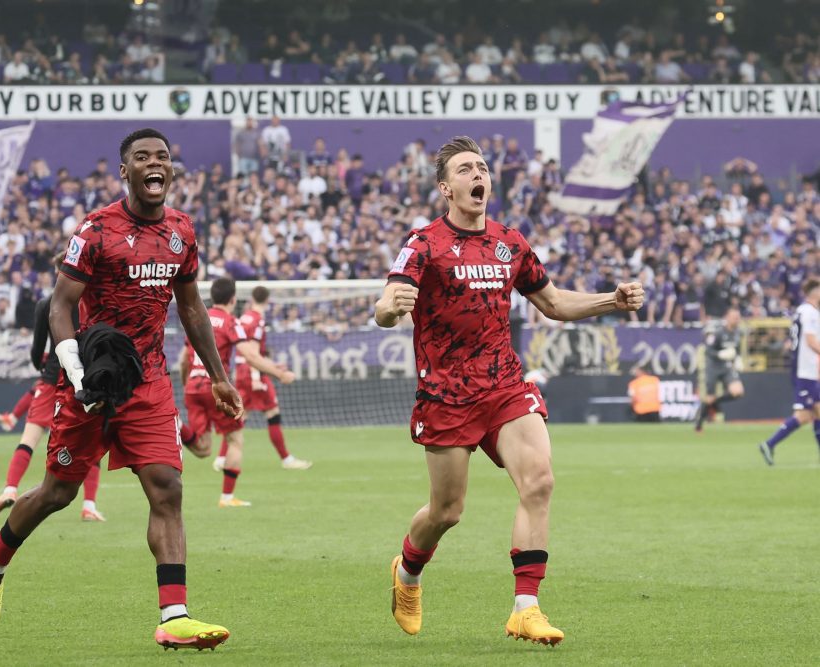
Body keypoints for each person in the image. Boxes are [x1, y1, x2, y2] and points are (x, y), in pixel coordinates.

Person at [0, 129, 242, 652]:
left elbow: (190, 309)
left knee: (168, 487)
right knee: (58, 492)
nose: (155, 164)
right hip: (91, 383)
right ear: (126, 171)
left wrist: (219, 374)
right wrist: (74, 372)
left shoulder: (182, 231)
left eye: (162, 157)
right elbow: (59, 305)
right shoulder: (95, 231)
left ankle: (174, 615)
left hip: (149, 381)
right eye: (142, 158)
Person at [374, 136, 644, 644]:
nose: (477, 175)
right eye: (465, 169)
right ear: (445, 187)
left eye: (482, 167)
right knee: (447, 512)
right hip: (446, 394)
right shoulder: (424, 243)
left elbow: (555, 302)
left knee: (539, 481)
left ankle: (526, 607)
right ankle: (407, 574)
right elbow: (385, 304)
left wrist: (612, 300)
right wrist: (391, 309)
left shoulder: (509, 243)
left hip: (503, 385)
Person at [0, 279, 105, 523]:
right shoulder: (92, 302)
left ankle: (9, 489)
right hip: (81, 382)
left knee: (29, 439)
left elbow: (37, 350)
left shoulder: (47, 304)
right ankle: (89, 505)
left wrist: (45, 368)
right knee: (92, 444)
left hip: (51, 380)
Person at [179, 278, 295, 508]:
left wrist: (186, 384)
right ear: (233, 300)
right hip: (215, 386)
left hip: (193, 386)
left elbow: (184, 359)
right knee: (235, 439)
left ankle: (176, 424)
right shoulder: (230, 321)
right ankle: (227, 497)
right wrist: (278, 374)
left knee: (203, 448)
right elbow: (250, 356)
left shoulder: (196, 317)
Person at [211, 285, 311, 472]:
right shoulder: (258, 320)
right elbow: (254, 353)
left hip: (242, 371)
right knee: (272, 413)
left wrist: (272, 366)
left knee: (240, 416)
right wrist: (258, 375)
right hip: (252, 373)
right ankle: (286, 459)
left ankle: (221, 457)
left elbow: (247, 351)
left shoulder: (244, 316)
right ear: (267, 300)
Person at [759, 278, 820, 464]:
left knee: (813, 413)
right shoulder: (810, 312)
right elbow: (810, 341)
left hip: (805, 368)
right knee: (806, 415)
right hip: (805, 370)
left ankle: (769, 444)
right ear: (814, 292)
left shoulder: (802, 311)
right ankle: (769, 443)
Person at [694, 307, 745, 431]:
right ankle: (699, 424)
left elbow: (736, 350)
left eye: (738, 317)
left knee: (738, 392)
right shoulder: (718, 333)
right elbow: (708, 350)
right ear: (727, 318)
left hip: (726, 367)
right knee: (709, 396)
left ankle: (715, 401)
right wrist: (720, 354)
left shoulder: (738, 333)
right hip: (713, 367)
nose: (737, 320)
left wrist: (738, 360)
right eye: (734, 317)